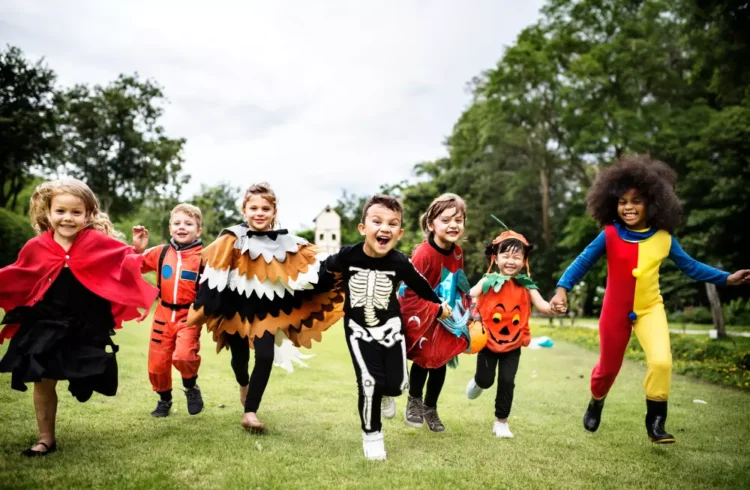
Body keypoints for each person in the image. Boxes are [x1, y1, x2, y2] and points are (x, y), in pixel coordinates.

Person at [549, 155, 750, 443]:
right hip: (614, 311)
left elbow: (691, 267)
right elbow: (582, 262)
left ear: (653, 203)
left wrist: (727, 277)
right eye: (622, 202)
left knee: (661, 362)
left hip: (650, 309)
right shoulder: (608, 234)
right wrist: (562, 288)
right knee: (607, 369)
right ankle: (596, 400)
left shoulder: (665, 238)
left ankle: (655, 421)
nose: (628, 207)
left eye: (636, 201)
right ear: (612, 204)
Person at [0, 178, 157, 456]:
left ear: (88, 215)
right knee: (43, 378)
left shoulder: (97, 242)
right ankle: (45, 438)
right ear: (48, 213)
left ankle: (89, 377)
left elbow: (124, 264)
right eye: (60, 211)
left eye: (76, 212)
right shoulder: (36, 246)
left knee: (86, 380)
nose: (68, 218)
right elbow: (19, 273)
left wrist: (138, 250)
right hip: (45, 321)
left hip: (85, 322)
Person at [187, 182, 344, 433]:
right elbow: (208, 270)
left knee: (266, 356)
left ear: (274, 211)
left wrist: (347, 261)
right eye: (254, 208)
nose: (259, 213)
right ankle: (243, 384)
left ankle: (250, 412)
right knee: (240, 360)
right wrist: (201, 309)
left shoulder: (287, 242)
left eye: (265, 208)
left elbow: (317, 264)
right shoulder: (231, 238)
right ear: (244, 210)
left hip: (267, 312)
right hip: (234, 310)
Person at [319, 194, 451, 460]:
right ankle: (372, 435)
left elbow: (420, 284)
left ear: (399, 233)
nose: (384, 228)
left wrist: (439, 304)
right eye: (377, 221)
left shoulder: (399, 261)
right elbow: (323, 271)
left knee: (395, 385)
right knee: (369, 382)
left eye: (392, 224)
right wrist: (310, 288)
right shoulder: (348, 255)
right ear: (363, 227)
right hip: (357, 328)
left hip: (391, 327)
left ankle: (385, 393)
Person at [465, 224, 556, 438]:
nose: (511, 261)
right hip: (487, 341)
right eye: (505, 255)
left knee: (507, 380)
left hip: (513, 343)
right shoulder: (488, 280)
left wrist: (555, 306)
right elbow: (469, 295)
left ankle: (501, 422)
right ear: (495, 258)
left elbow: (543, 305)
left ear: (524, 260)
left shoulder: (527, 285)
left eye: (517, 256)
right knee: (486, 380)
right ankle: (479, 382)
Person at [399, 193, 471, 432]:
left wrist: (467, 309)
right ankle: (414, 400)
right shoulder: (423, 254)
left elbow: (457, 281)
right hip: (424, 316)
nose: (453, 225)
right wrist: (433, 309)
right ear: (431, 224)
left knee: (440, 363)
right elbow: (409, 291)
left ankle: (431, 407)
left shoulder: (458, 252)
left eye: (458, 220)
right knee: (424, 360)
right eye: (446, 220)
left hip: (447, 317)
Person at [132, 203, 205, 417]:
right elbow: (133, 265)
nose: (182, 227)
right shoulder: (160, 252)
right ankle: (164, 401)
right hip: (163, 314)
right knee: (157, 363)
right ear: (170, 228)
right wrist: (137, 249)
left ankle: (191, 387)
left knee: (184, 356)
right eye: (177, 223)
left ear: (198, 230)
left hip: (189, 316)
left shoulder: (204, 257)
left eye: (188, 224)